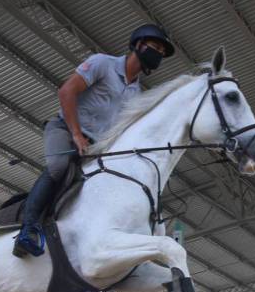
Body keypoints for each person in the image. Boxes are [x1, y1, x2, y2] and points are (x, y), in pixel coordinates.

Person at [13, 24, 176, 257]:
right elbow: (66, 92)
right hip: (65, 129)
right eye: (155, 47)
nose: (158, 53)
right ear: (138, 44)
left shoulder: (136, 94)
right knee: (59, 167)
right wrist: (76, 135)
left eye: (161, 52)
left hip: (96, 146)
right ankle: (27, 230)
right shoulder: (102, 63)